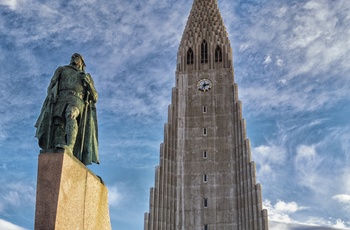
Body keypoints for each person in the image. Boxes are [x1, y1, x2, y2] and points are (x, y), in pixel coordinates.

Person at [35, 53, 99, 165]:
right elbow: (52, 84)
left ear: (82, 62)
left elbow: (95, 97)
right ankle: (58, 149)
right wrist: (50, 93)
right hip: (62, 98)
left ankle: (70, 146)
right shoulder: (62, 69)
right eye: (73, 57)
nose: (74, 58)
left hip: (77, 99)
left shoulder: (86, 76)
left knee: (71, 113)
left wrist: (88, 84)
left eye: (77, 57)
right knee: (58, 124)